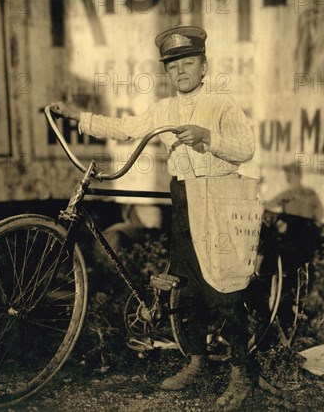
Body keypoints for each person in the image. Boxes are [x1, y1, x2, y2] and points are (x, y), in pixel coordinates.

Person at [50, 26, 256, 410]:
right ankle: (196, 360)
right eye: (173, 66)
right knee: (186, 285)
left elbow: (246, 149)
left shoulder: (222, 104)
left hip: (220, 197)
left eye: (188, 63)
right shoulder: (164, 109)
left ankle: (243, 372)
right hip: (183, 198)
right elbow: (126, 128)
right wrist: (78, 116)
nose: (181, 72)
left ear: (204, 66)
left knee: (225, 290)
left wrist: (208, 136)